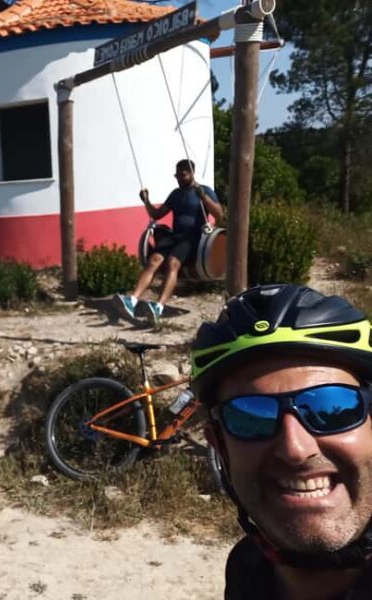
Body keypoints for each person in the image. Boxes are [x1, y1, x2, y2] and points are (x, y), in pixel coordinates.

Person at [190, 284, 372, 599]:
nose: (295, 449)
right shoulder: (247, 571)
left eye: (331, 408)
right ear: (220, 446)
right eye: (251, 415)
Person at [117, 159, 223, 324]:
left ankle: (158, 308)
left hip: (193, 238)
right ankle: (132, 301)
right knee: (154, 260)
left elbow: (219, 214)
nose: (179, 178)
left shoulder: (204, 190)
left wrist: (204, 197)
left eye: (182, 174)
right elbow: (158, 214)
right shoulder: (176, 194)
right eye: (177, 175)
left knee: (173, 263)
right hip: (175, 236)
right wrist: (146, 201)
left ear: (191, 173)